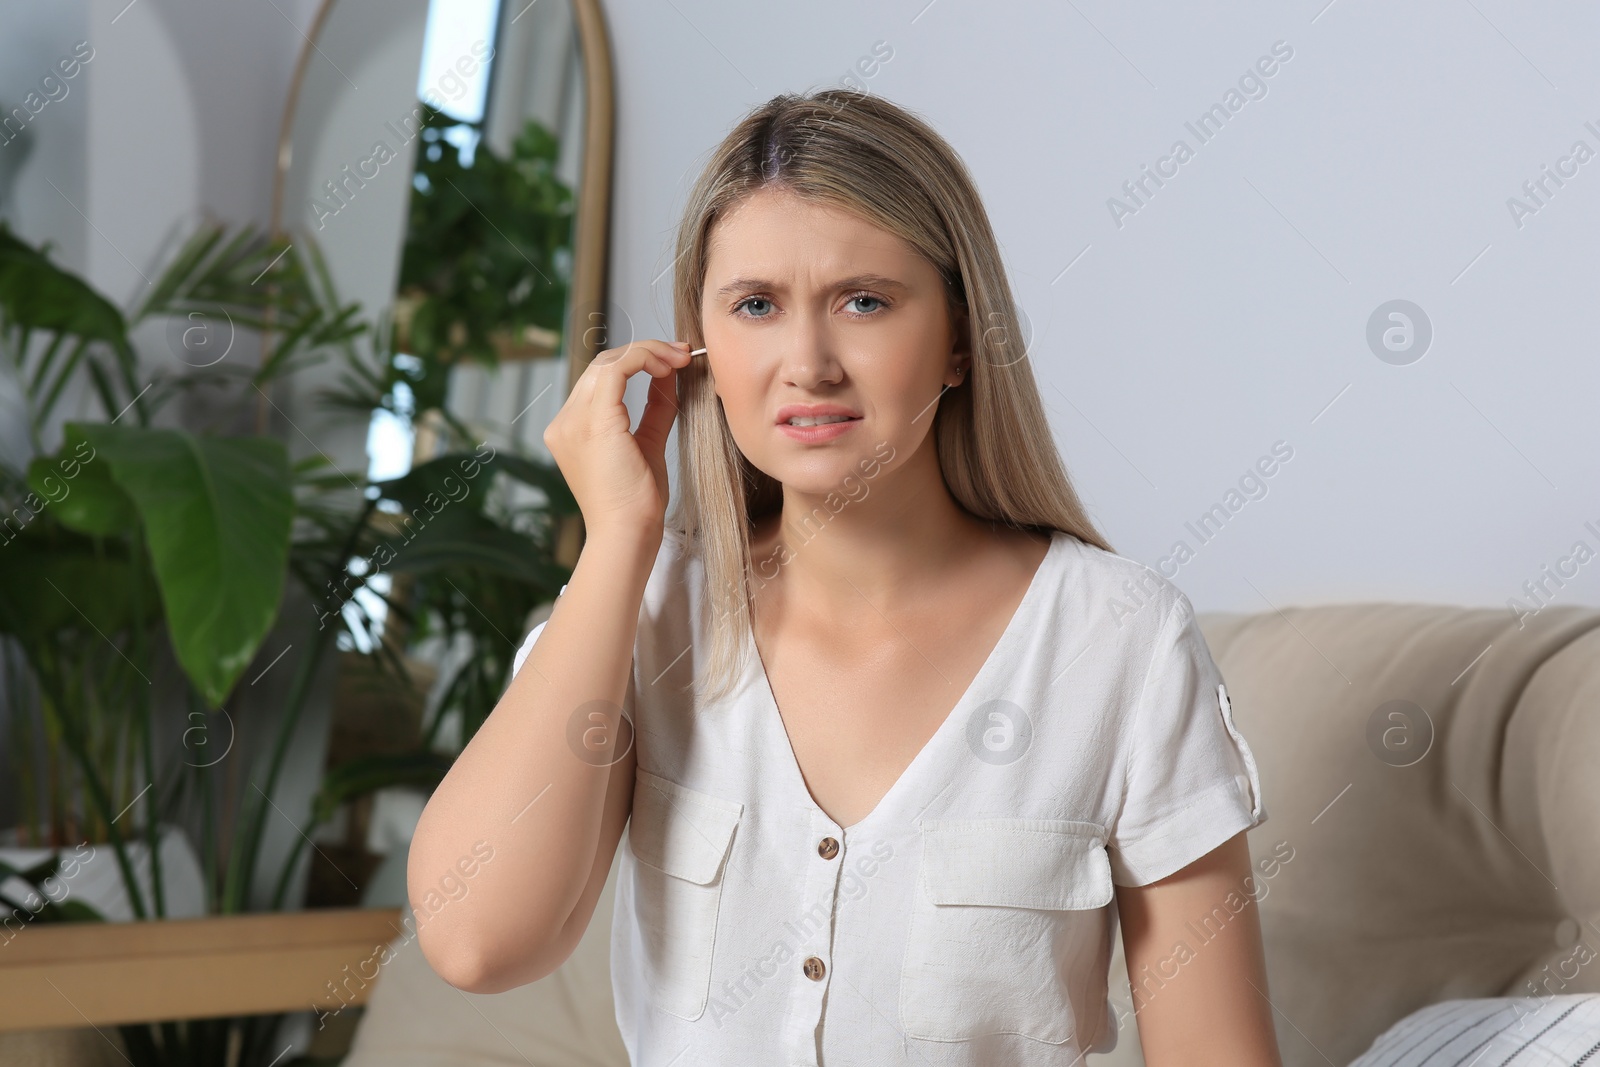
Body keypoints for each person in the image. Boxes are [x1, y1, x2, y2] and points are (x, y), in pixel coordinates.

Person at [408, 87, 1282, 1067]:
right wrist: (620, 536)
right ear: (696, 349)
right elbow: (476, 938)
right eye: (755, 306)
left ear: (959, 339)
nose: (807, 363)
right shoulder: (645, 615)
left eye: (863, 301)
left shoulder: (1120, 642)